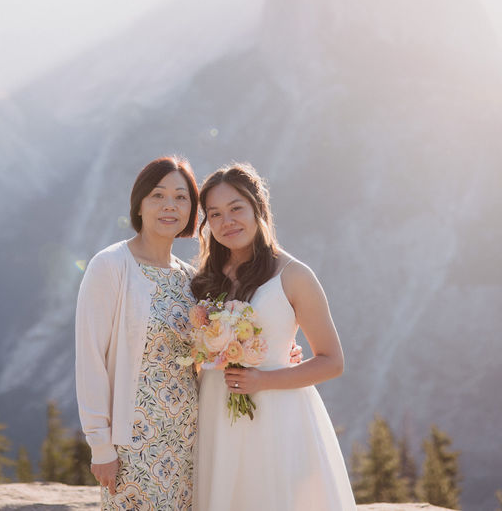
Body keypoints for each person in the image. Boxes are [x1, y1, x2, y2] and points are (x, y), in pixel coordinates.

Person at [191, 163, 356, 511]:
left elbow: (332, 361)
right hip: (215, 414)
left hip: (277, 415)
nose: (227, 222)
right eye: (215, 214)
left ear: (258, 208)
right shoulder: (205, 278)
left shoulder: (294, 275)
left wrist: (263, 379)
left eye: (236, 208)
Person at [75, 156, 201, 510]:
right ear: (140, 204)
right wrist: (100, 446)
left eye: (181, 197)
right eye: (158, 195)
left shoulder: (191, 280)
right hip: (133, 444)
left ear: (192, 210)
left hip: (188, 440)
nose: (169, 206)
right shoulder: (111, 265)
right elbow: (90, 358)